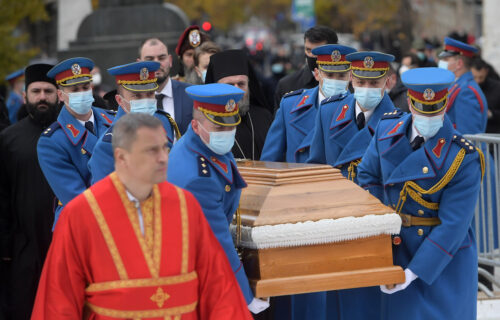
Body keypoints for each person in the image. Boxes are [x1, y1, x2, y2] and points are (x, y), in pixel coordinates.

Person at [32, 113, 253, 319]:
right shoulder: (81, 214)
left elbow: (217, 286)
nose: (163, 158)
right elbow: (58, 300)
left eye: (165, 148)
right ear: (121, 157)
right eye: (150, 150)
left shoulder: (186, 206)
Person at [357, 67, 483, 320]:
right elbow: (367, 175)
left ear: (445, 104)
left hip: (439, 259)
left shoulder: (463, 157)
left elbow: (453, 226)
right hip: (393, 246)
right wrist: (383, 218)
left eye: (435, 110)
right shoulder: (386, 131)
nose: (428, 117)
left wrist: (413, 272)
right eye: (421, 109)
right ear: (410, 105)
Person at [168, 83, 270, 315]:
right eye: (218, 127)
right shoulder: (198, 177)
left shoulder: (203, 146)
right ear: (195, 124)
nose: (227, 134)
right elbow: (218, 241)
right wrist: (244, 295)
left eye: (231, 126)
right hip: (198, 271)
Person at [0, 64, 60, 320]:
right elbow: (2, 197)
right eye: (36, 91)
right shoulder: (8, 140)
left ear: (59, 94)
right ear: (25, 96)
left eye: (48, 91)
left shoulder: (70, 135)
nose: (42, 97)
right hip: (22, 249)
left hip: (62, 245)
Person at [37, 57, 115, 226]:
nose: (81, 93)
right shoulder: (51, 142)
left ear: (92, 87)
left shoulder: (113, 120)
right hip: (83, 224)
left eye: (85, 87)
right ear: (60, 95)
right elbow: (76, 198)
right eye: (74, 89)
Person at [308, 51, 396, 183]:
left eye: (374, 84)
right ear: (351, 79)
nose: (366, 89)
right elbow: (316, 166)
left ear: (387, 82)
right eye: (360, 83)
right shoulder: (328, 111)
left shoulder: (396, 124)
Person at [261, 44, 356, 164]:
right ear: (317, 74)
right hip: (299, 180)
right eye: (329, 75)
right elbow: (270, 160)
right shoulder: (290, 106)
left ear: (351, 76)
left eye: (341, 75)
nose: (335, 80)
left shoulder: (359, 109)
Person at [88, 61, 179, 185]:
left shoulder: (163, 121)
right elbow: (105, 196)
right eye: (137, 96)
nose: (146, 101)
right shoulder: (108, 146)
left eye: (150, 94)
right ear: (120, 100)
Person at [205, 49, 273, 160]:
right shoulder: (205, 125)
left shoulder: (264, 117)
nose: (236, 90)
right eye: (230, 85)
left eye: (241, 84)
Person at [273, 26, 338, 110]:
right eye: (309, 50)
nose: (312, 56)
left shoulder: (349, 84)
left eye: (318, 51)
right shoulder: (287, 85)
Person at [139, 38, 193, 135]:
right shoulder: (133, 100)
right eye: (149, 59)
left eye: (161, 58)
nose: (157, 64)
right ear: (139, 64)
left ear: (170, 60)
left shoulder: (190, 94)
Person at [438, 37, 488, 134]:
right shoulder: (458, 85)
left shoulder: (466, 91)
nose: (442, 62)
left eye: (446, 59)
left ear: (459, 64)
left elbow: (468, 136)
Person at [471, 57, 500, 133]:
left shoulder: (497, 88)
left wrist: (491, 114)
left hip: (492, 134)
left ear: (486, 72)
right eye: (475, 77)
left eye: (481, 77)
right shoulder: (466, 87)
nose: (478, 81)